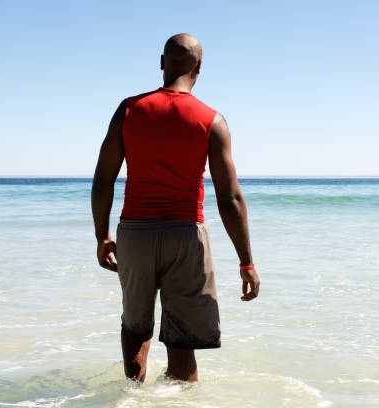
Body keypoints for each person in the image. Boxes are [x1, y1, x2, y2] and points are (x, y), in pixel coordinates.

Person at [91, 33, 260, 383]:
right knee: (183, 343)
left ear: (162, 62)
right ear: (199, 67)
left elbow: (104, 179)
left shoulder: (129, 110)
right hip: (186, 235)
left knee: (135, 329)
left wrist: (102, 236)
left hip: (135, 233)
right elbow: (229, 200)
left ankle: (133, 399)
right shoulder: (211, 120)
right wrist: (246, 262)